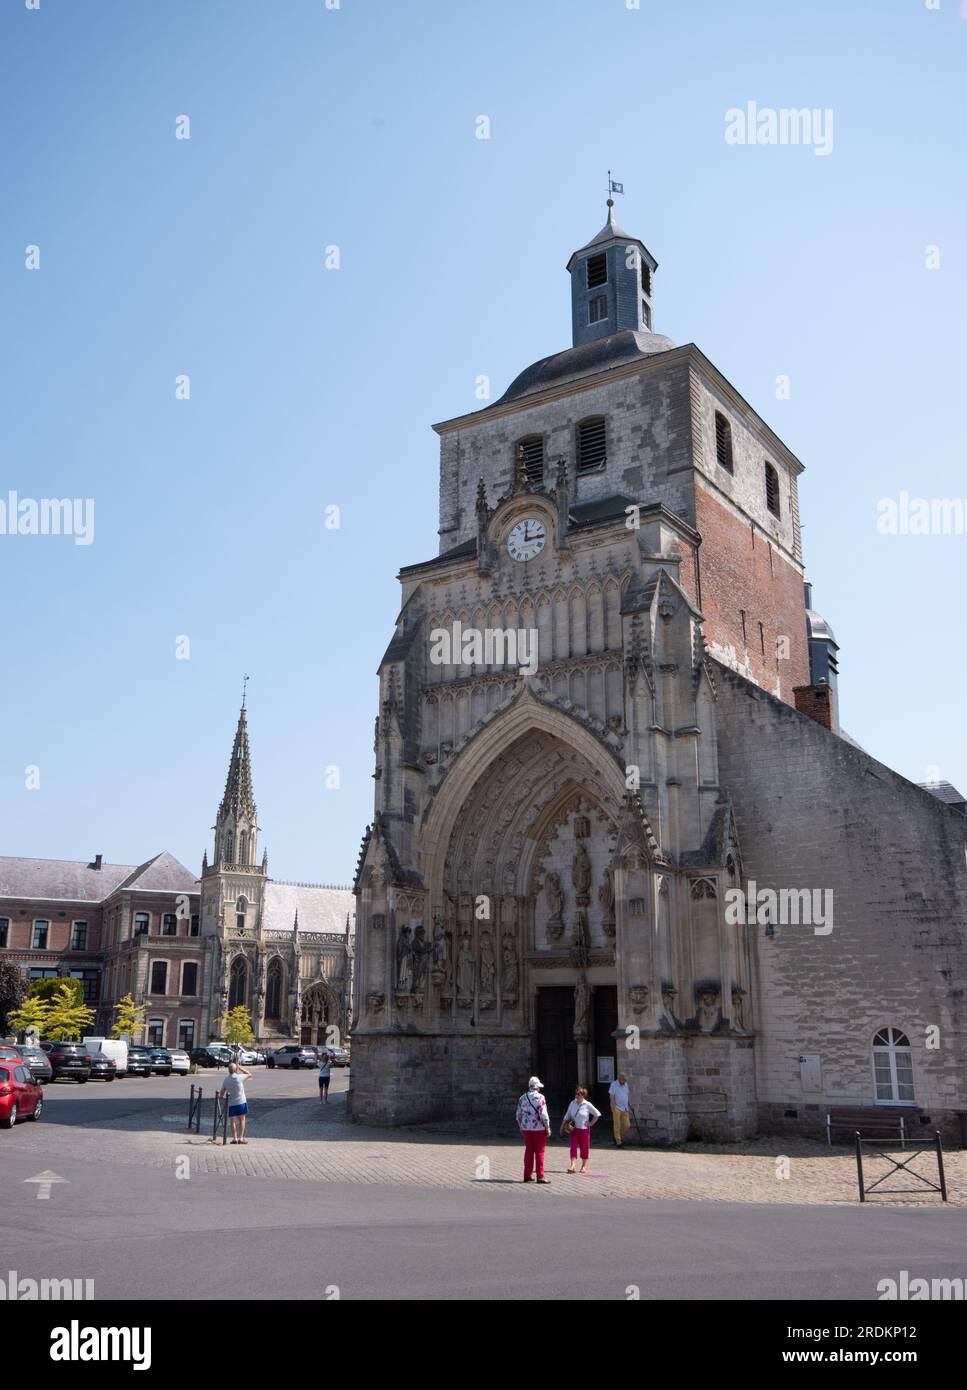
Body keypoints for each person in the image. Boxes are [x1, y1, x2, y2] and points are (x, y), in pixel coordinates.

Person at [515, 1076, 551, 1183]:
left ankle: (527, 1175)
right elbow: (543, 1115)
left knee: (529, 1151)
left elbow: (518, 1115)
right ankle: (540, 1176)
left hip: (526, 1128)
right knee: (540, 1152)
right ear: (537, 1087)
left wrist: (521, 1127)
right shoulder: (540, 1097)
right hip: (539, 1128)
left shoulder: (522, 1098)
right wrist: (547, 1127)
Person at [560, 1086, 601, 1174]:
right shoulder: (572, 1103)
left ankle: (583, 1166)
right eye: (576, 1094)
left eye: (578, 1094)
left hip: (584, 1130)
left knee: (584, 1148)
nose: (576, 1096)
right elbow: (567, 1115)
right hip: (573, 1129)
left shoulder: (587, 1104)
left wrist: (590, 1123)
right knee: (573, 1147)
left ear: (583, 1095)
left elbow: (597, 1114)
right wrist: (562, 1126)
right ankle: (573, 1166)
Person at [219, 1060, 252, 1144]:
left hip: (232, 1103)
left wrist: (221, 1096)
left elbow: (222, 1092)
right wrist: (240, 1067)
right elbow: (249, 1074)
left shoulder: (226, 1080)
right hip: (241, 1102)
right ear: (235, 1069)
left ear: (228, 1070)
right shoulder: (239, 1077)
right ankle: (241, 1138)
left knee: (232, 1121)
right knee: (242, 1120)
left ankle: (235, 1138)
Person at [609, 1072, 631, 1147]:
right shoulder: (614, 1084)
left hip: (624, 1107)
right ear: (619, 1078)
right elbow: (611, 1095)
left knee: (627, 1125)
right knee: (617, 1125)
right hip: (616, 1107)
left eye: (625, 1080)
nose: (624, 1082)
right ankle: (618, 1142)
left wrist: (628, 1105)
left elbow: (626, 1094)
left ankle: (616, 1136)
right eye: (623, 1080)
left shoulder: (626, 1085)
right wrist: (612, 1104)